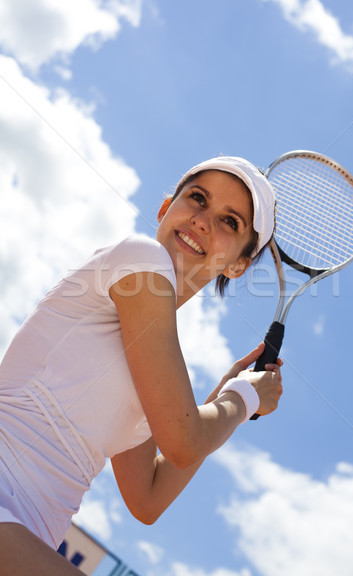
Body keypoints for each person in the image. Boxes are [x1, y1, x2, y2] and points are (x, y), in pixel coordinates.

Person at [0, 155, 283, 575]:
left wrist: (223, 396)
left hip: (29, 534)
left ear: (239, 264)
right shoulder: (140, 257)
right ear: (166, 208)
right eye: (198, 198)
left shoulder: (160, 368)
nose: (203, 221)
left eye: (230, 222)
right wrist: (244, 398)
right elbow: (184, 439)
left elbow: (147, 498)